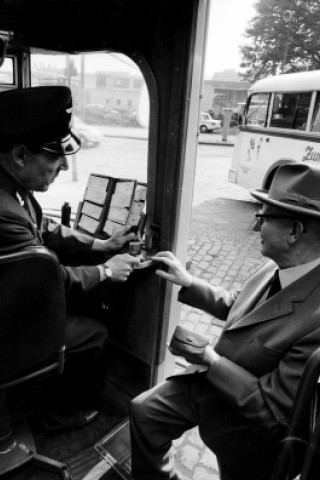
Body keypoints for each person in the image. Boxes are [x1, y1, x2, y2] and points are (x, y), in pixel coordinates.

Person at [129, 162, 320, 480]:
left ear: (294, 232)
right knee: (144, 411)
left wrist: (209, 358)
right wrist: (188, 281)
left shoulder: (316, 322)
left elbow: (272, 412)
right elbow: (238, 306)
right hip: (213, 383)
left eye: (262, 217)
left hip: (248, 425)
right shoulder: (277, 266)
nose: (256, 227)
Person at [0, 86, 139, 430]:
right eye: (54, 157)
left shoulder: (12, 190)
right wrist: (107, 271)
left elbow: (44, 228)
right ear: (20, 154)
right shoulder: (4, 214)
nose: (63, 164)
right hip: (7, 330)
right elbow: (51, 281)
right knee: (94, 333)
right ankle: (58, 414)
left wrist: (101, 246)